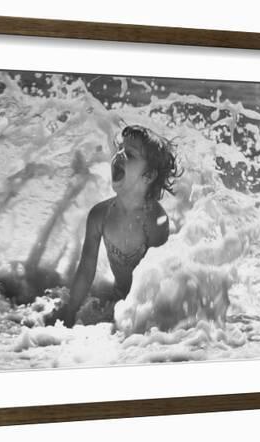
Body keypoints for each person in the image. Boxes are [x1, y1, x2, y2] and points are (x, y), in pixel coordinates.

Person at [60, 125, 182, 327]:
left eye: (130, 155)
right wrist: (70, 311)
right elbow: (86, 269)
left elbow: (160, 281)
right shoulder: (100, 215)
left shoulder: (154, 221)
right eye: (120, 150)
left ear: (148, 176)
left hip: (141, 308)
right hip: (117, 300)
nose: (119, 156)